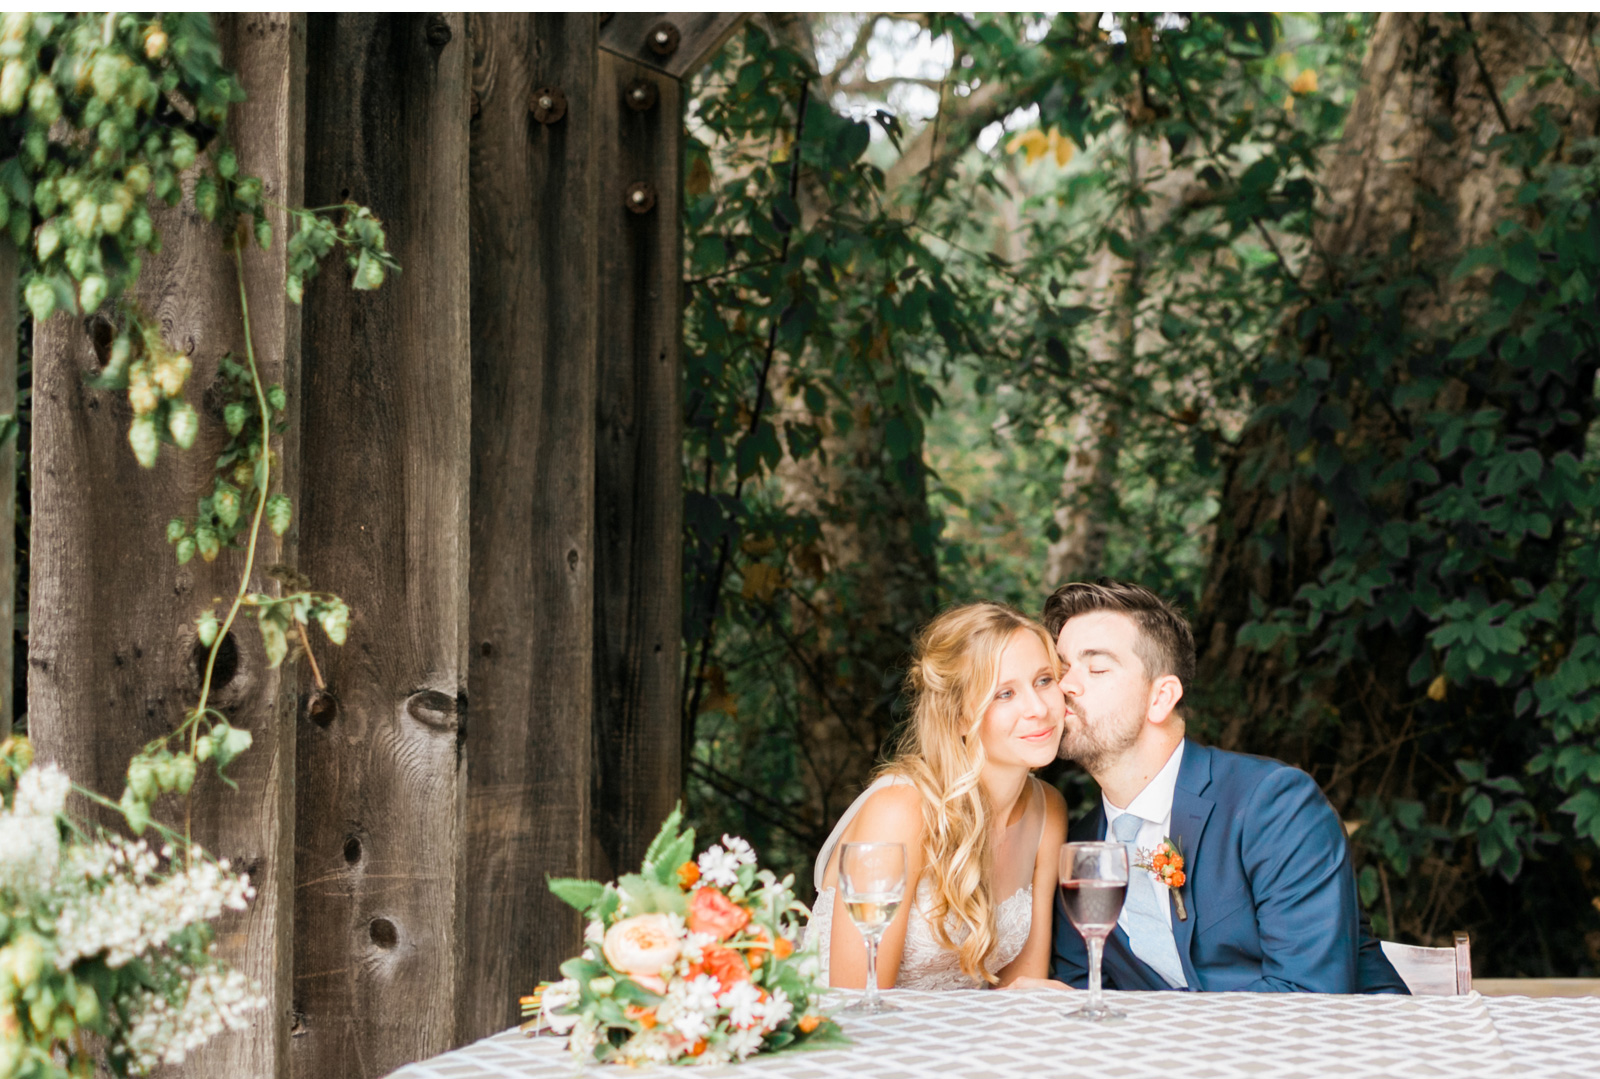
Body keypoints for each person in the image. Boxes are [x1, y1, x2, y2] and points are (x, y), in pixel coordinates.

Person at [1036, 579, 1407, 994]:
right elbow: (1087, 992)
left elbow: (1311, 999)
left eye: (1097, 668)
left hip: (1343, 1050)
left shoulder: (1274, 805)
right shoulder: (1082, 846)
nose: (1065, 687)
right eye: (1062, 670)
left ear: (1161, 698)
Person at [808, 602, 1070, 989]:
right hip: (849, 1036)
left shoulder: (1048, 810)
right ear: (961, 716)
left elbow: (1023, 995)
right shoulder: (900, 812)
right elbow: (857, 1002)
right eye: (1004, 694)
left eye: (1044, 680)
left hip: (963, 1043)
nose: (1037, 708)